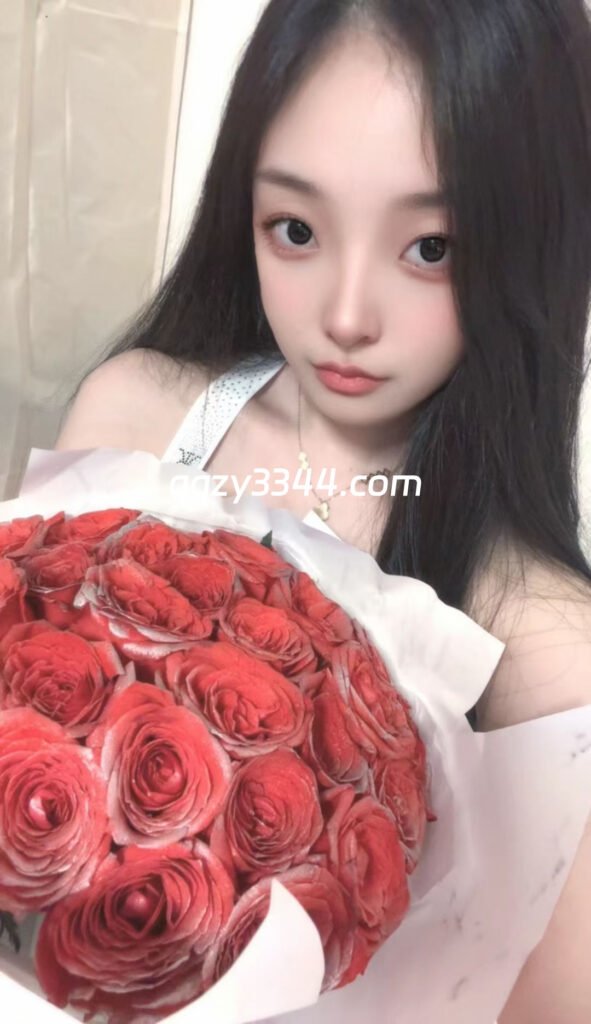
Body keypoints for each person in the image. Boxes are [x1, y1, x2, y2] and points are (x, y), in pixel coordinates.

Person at [54, 1, 591, 1018]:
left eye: (430, 247)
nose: (346, 316)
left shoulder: (550, 653)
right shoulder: (135, 418)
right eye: (295, 229)